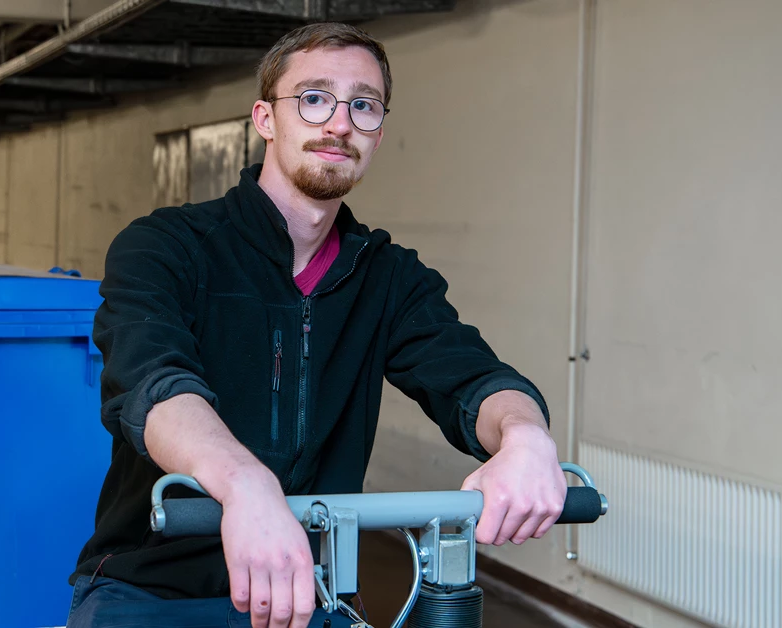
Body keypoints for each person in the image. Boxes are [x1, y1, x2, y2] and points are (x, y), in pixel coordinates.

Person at [65, 21, 567, 628]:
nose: (339, 123)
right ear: (266, 119)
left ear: (378, 133)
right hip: (153, 589)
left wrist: (525, 436)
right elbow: (154, 384)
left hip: (313, 593)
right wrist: (245, 483)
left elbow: (472, 377)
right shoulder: (166, 247)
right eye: (313, 98)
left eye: (364, 105)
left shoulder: (387, 276)